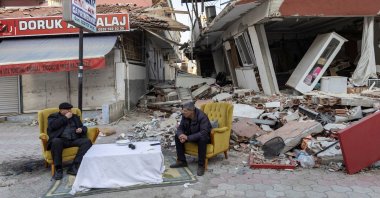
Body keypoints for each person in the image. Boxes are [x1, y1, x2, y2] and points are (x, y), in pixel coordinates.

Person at [47, 102, 92, 180]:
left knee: (87, 141)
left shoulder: (74, 117)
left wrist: (81, 130)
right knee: (55, 141)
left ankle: (74, 166)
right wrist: (65, 118)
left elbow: (83, 127)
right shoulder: (53, 117)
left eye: (70, 109)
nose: (69, 111)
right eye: (67, 109)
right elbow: (53, 126)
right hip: (61, 140)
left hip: (74, 139)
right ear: (61, 110)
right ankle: (58, 169)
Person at [170, 101, 212, 176]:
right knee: (177, 136)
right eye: (183, 110)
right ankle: (182, 161)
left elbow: (204, 132)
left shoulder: (202, 117)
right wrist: (181, 135)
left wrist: (187, 137)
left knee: (202, 139)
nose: (183, 112)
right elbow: (180, 127)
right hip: (191, 135)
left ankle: (201, 165)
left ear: (191, 111)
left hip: (203, 137)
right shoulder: (185, 116)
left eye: (185, 111)